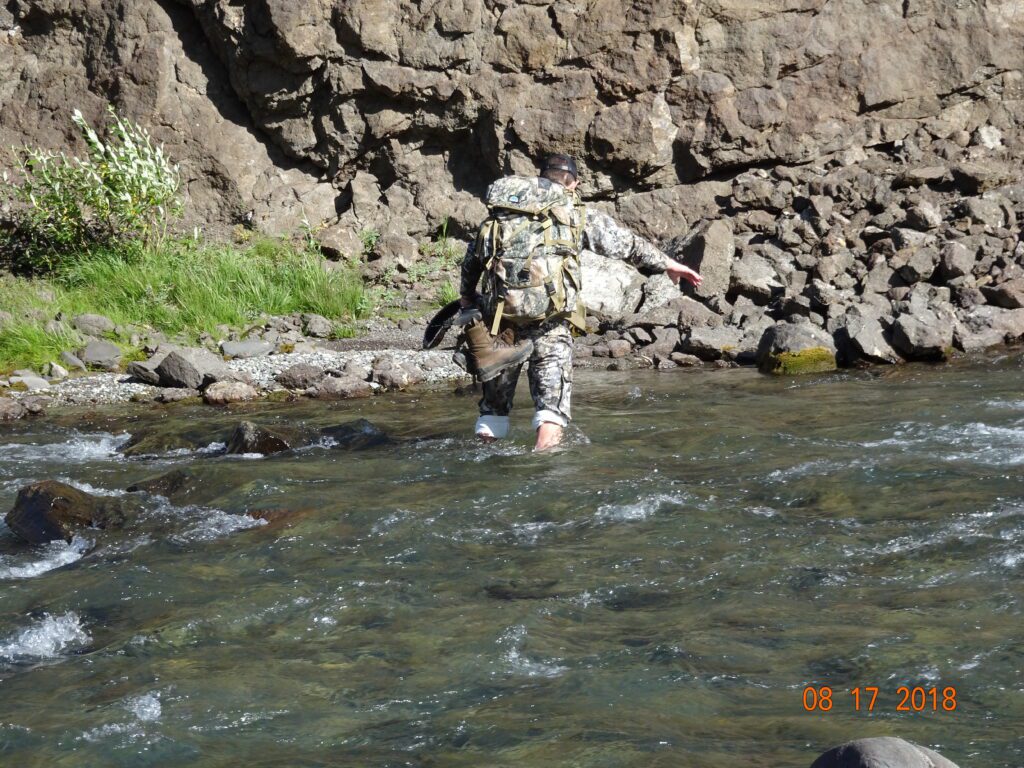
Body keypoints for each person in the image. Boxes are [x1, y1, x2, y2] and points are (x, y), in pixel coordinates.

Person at [458, 153, 702, 451]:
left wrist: (467, 297)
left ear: (541, 177)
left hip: (500, 323)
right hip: (551, 324)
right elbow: (628, 245)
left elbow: (472, 259)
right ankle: (542, 473)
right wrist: (667, 264)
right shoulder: (577, 214)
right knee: (551, 410)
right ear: (573, 183)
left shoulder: (502, 214)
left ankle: (483, 465)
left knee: (493, 409)